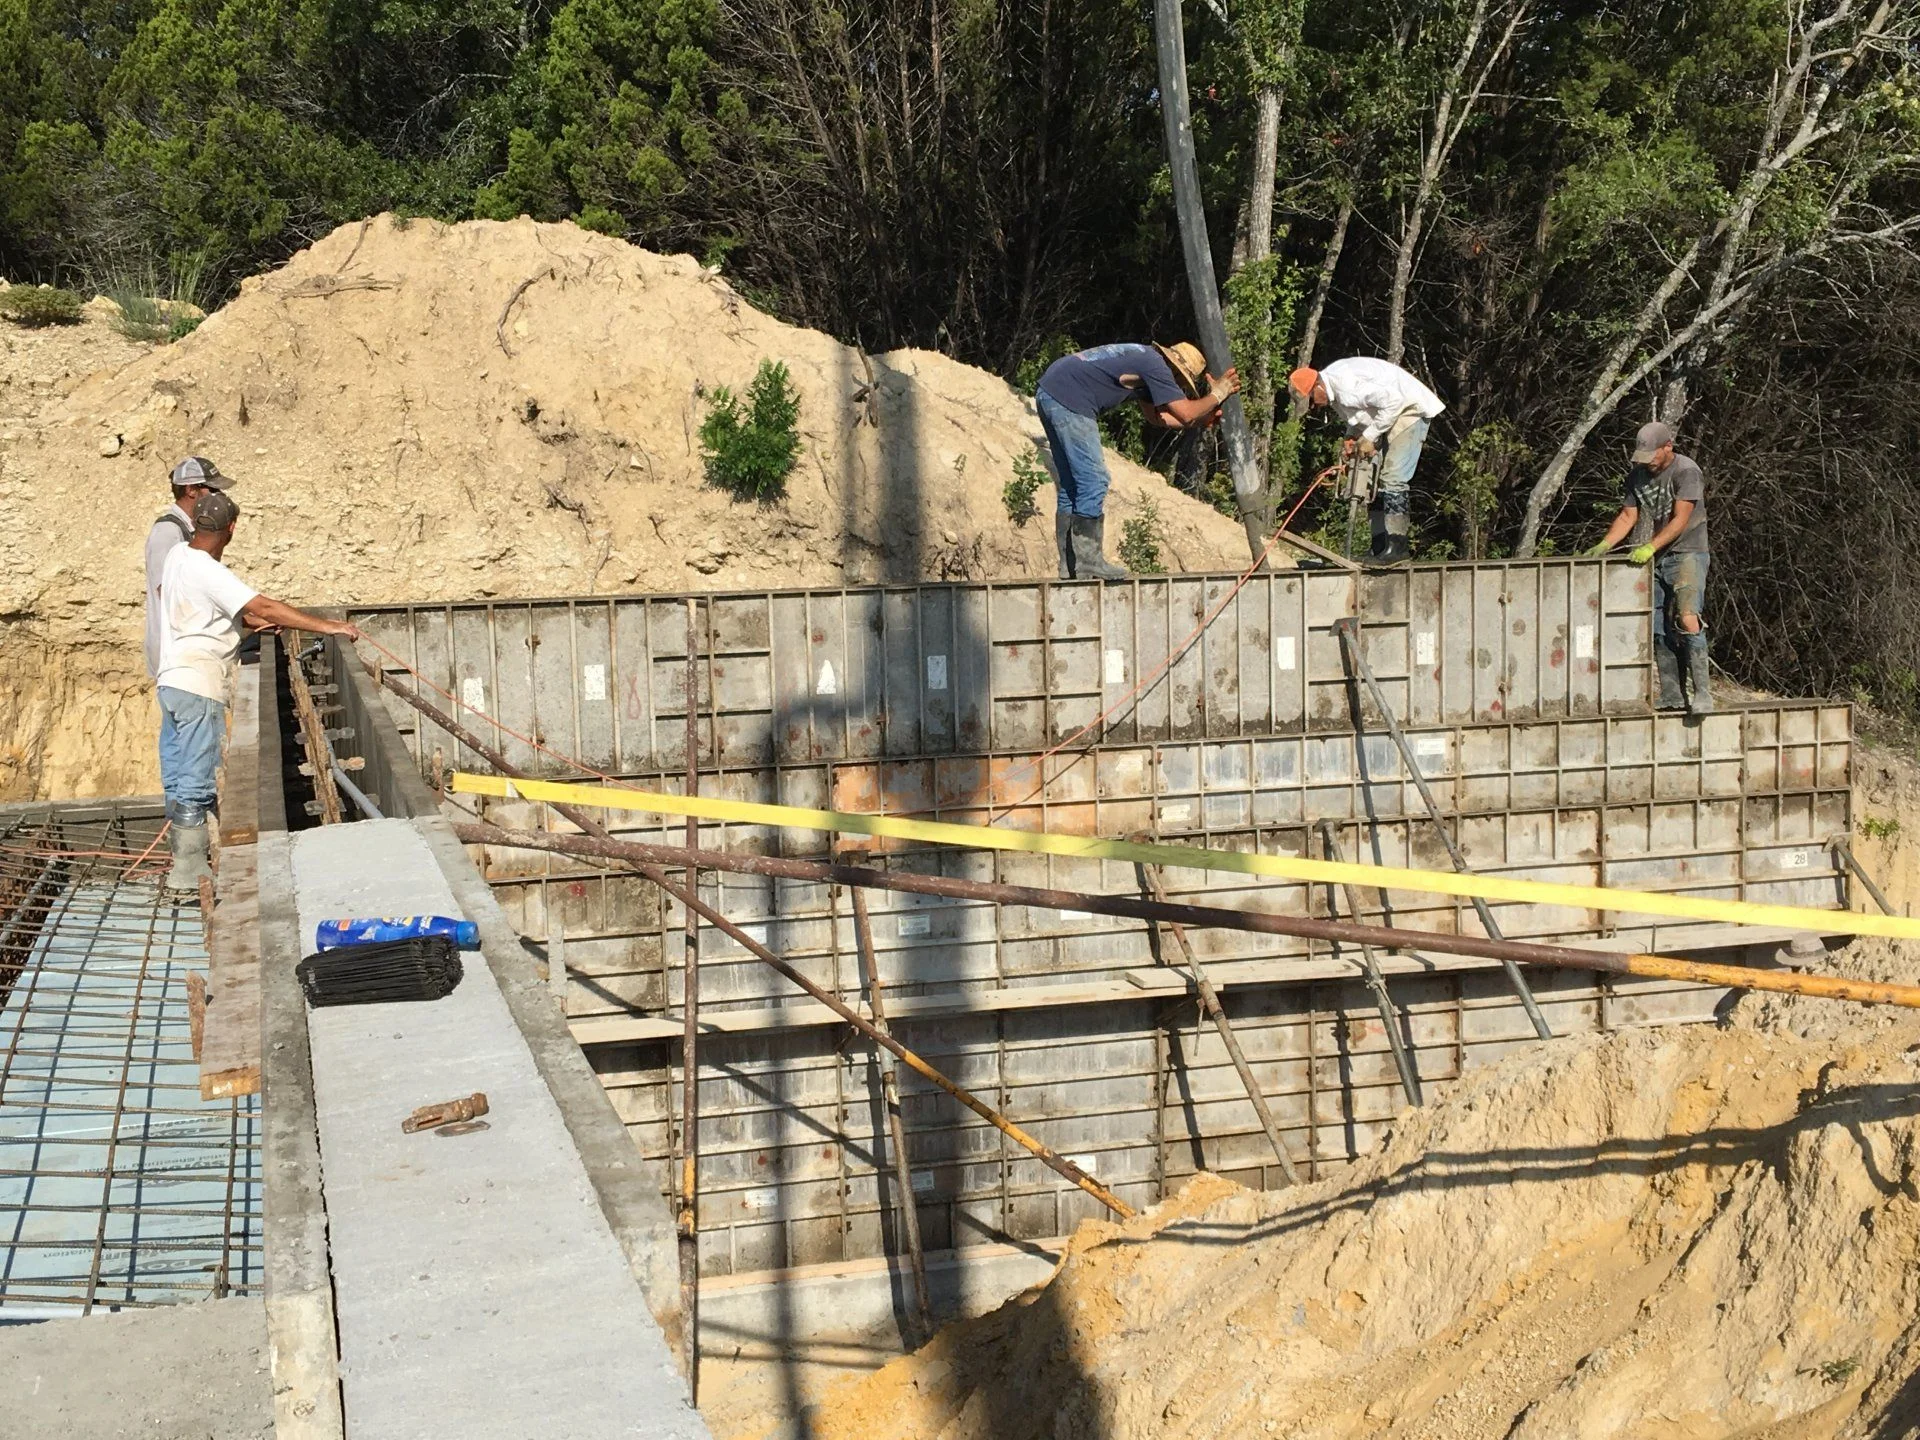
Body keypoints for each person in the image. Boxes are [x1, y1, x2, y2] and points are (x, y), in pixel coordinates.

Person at [155, 490, 360, 893]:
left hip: (170, 680)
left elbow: (193, 604)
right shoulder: (208, 570)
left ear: (195, 523)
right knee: (198, 779)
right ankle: (190, 873)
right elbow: (264, 607)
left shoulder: (178, 555)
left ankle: (183, 858)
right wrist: (326, 626)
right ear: (230, 529)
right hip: (200, 683)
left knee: (178, 774)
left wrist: (238, 624)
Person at [1035, 341, 1240, 579]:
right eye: (1181, 382)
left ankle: (1070, 565)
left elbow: (1159, 418)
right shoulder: (1156, 366)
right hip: (1070, 398)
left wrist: (1198, 422)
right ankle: (1088, 562)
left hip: (1050, 392)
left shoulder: (1143, 358)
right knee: (1094, 480)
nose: (1178, 387)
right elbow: (1185, 411)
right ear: (1175, 368)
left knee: (1072, 485)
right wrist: (1219, 393)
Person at [1585, 420, 1712, 713]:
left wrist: (1650, 546)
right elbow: (1628, 517)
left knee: (1688, 616)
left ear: (1668, 447)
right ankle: (1672, 694)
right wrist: (1605, 545)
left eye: (1653, 457)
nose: (1649, 464)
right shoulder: (1638, 476)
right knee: (1655, 624)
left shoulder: (1686, 471)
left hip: (1688, 551)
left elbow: (1681, 519)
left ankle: (1703, 694)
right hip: (1658, 555)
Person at [1287, 359, 1447, 564]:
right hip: (1390, 415)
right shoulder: (1334, 393)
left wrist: (1370, 436)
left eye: (1311, 401)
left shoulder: (1346, 387)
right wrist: (1352, 437)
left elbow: (1394, 400)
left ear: (1318, 387)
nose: (1314, 407)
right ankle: (1380, 546)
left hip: (1409, 410)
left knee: (1393, 478)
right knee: (1376, 483)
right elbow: (1360, 417)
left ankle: (1397, 546)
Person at [144, 457, 233, 680]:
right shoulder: (167, 532)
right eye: (212, 489)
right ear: (191, 490)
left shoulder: (188, 528)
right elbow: (170, 593)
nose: (218, 497)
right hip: (174, 656)